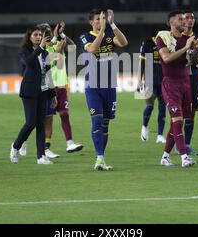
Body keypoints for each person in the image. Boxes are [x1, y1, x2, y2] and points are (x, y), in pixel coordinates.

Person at [79, 9, 128, 171]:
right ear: (92, 22)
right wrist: (102, 31)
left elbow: (123, 43)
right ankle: (99, 157)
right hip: (92, 86)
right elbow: (92, 49)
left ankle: (102, 159)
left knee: (106, 123)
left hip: (110, 86)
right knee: (97, 120)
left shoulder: (109, 35)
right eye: (99, 19)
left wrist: (112, 25)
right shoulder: (85, 37)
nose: (102, 21)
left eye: (103, 18)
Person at [156, 11, 198, 167]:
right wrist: (186, 47)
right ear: (171, 22)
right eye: (180, 19)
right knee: (177, 119)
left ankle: (165, 157)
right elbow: (167, 58)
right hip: (170, 84)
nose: (184, 21)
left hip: (186, 83)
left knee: (176, 122)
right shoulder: (162, 37)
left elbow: (194, 62)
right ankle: (184, 157)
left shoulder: (186, 40)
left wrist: (195, 48)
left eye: (185, 19)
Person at [10, 27, 57, 165]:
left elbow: (47, 74)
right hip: (29, 91)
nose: (38, 37)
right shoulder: (24, 51)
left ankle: (41, 156)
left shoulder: (44, 53)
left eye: (40, 35)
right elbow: (28, 62)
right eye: (35, 35)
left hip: (43, 91)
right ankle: (15, 146)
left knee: (41, 124)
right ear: (29, 37)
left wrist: (53, 95)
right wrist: (41, 47)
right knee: (30, 123)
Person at [36, 22, 83, 159]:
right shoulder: (41, 50)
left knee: (64, 114)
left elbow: (73, 47)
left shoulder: (57, 44)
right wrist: (57, 43)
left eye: (49, 31)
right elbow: (52, 61)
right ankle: (39, 146)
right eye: (45, 32)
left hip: (61, 85)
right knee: (46, 119)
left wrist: (62, 34)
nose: (48, 34)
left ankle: (69, 143)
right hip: (48, 86)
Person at [179, 10, 198, 155]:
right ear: (182, 21)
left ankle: (187, 144)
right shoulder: (178, 38)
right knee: (180, 112)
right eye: (187, 18)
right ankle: (179, 144)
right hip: (181, 76)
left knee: (193, 111)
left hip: (194, 76)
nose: (190, 20)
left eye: (192, 18)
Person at [138, 32, 166, 144]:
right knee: (149, 106)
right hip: (150, 80)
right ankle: (144, 126)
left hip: (164, 80)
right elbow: (142, 61)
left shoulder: (168, 43)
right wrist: (139, 81)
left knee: (162, 108)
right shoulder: (148, 43)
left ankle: (160, 135)